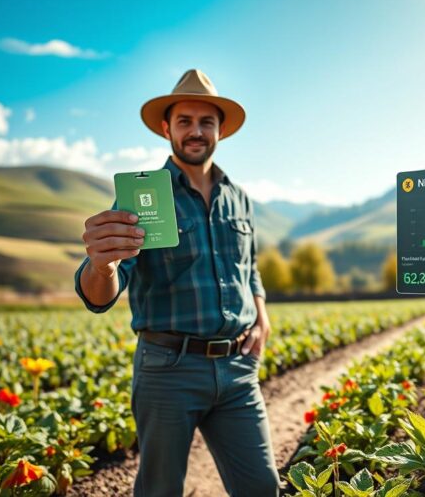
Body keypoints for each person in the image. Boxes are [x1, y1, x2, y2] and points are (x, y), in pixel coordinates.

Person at [74, 68, 280, 496]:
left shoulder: (238, 196)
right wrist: (102, 265)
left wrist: (262, 319)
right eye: (185, 121)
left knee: (262, 488)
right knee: (160, 490)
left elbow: (251, 266)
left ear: (220, 130)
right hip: (169, 370)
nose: (196, 131)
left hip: (238, 369)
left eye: (207, 122)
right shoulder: (143, 198)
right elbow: (101, 294)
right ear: (167, 128)